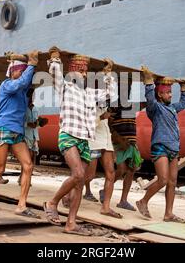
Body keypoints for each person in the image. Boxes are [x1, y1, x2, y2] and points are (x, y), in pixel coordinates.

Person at [43, 47, 116, 236]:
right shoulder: (65, 87)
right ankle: (52, 202)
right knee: (77, 174)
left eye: (85, 70)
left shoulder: (90, 92)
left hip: (85, 139)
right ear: (71, 71)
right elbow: (54, 72)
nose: (83, 73)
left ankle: (71, 223)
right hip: (68, 135)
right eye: (79, 69)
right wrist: (55, 59)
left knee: (80, 181)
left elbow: (111, 96)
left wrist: (108, 74)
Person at [0, 50, 39, 217]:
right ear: (12, 71)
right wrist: (31, 65)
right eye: (20, 71)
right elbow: (21, 83)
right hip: (3, 129)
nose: (22, 74)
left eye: (23, 72)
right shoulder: (6, 85)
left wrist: (31, 68)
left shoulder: (22, 91)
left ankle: (21, 205)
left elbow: (24, 84)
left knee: (28, 166)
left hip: (17, 132)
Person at [136, 66, 185, 223]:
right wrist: (148, 82)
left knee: (172, 182)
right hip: (160, 147)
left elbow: (184, 103)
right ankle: (143, 201)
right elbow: (150, 99)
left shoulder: (172, 108)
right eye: (167, 92)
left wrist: (184, 89)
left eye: (171, 92)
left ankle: (168, 214)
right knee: (163, 180)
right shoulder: (155, 108)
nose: (170, 94)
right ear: (160, 94)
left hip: (174, 148)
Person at [76, 106, 122, 219]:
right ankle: (67, 194)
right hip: (94, 142)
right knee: (89, 175)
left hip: (106, 141)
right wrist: (101, 117)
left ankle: (106, 207)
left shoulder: (105, 106)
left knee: (111, 173)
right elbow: (86, 124)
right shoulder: (89, 103)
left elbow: (106, 126)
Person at [108, 105, 144, 211]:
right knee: (121, 169)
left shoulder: (133, 106)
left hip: (132, 142)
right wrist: (118, 139)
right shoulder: (113, 107)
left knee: (131, 170)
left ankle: (123, 200)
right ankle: (105, 190)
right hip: (119, 142)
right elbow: (108, 125)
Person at [17, 89, 49, 185]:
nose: (31, 98)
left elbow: (36, 123)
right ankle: (24, 178)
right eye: (29, 96)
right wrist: (28, 124)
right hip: (26, 135)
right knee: (27, 158)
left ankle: (24, 177)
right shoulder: (22, 108)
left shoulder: (36, 109)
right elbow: (19, 122)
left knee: (32, 158)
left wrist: (40, 123)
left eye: (32, 96)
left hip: (34, 136)